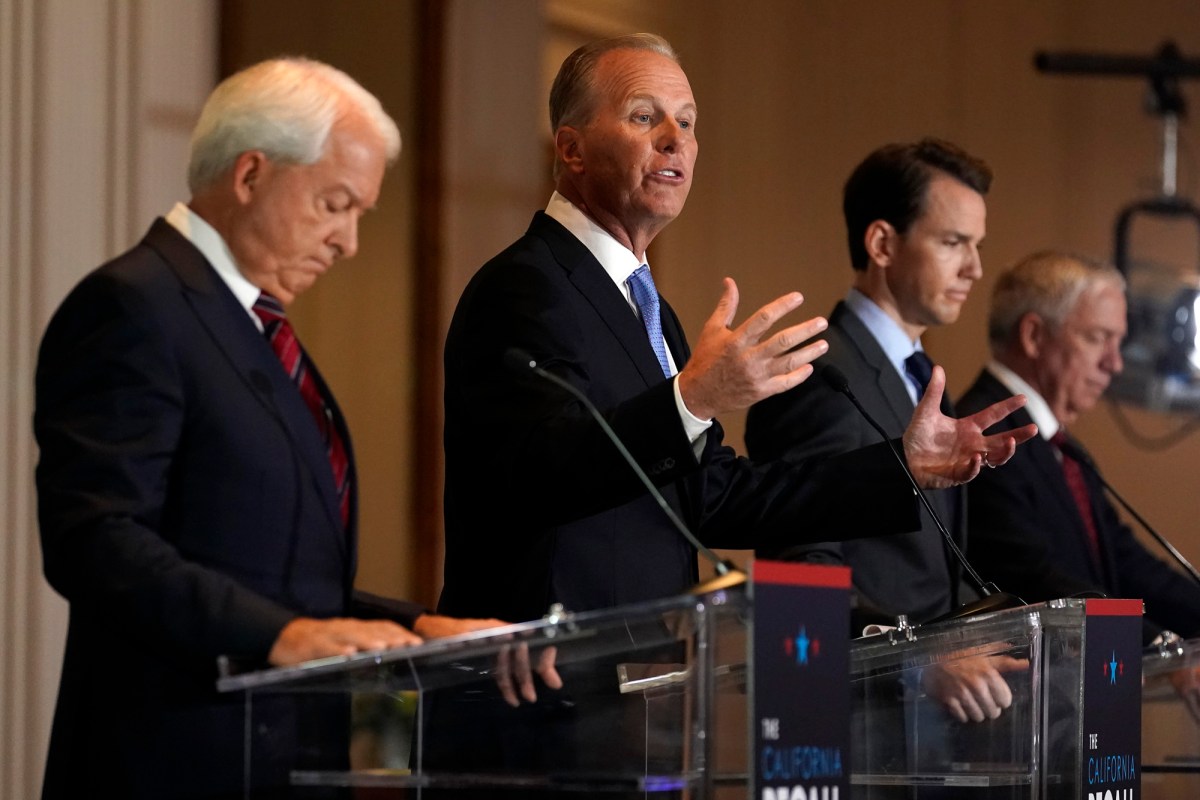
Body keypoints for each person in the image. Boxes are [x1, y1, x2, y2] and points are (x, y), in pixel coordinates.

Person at [34, 58, 553, 800]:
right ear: (251, 175)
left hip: (277, 759)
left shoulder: (252, 325)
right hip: (171, 762)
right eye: (336, 204)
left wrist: (418, 630)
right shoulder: (134, 307)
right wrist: (281, 638)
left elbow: (276, 578)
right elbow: (94, 539)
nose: (348, 242)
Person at [439, 34, 1035, 628]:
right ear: (572, 150)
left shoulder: (646, 307)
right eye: (645, 117)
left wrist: (901, 466)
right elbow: (543, 472)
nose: (676, 140)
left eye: (689, 123)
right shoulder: (523, 287)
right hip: (542, 682)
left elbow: (715, 498)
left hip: (634, 682)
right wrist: (693, 399)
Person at [746, 138, 992, 628]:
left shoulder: (923, 378)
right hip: (868, 695)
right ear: (882, 244)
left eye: (976, 245)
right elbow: (802, 568)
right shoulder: (818, 376)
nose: (975, 268)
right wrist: (920, 663)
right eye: (952, 243)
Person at [958, 250, 1200, 643]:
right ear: (1034, 335)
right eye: (1098, 337)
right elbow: (1032, 580)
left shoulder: (1065, 447)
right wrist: (1158, 645)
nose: (1115, 363)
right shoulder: (984, 437)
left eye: (1119, 342)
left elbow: (1126, 562)